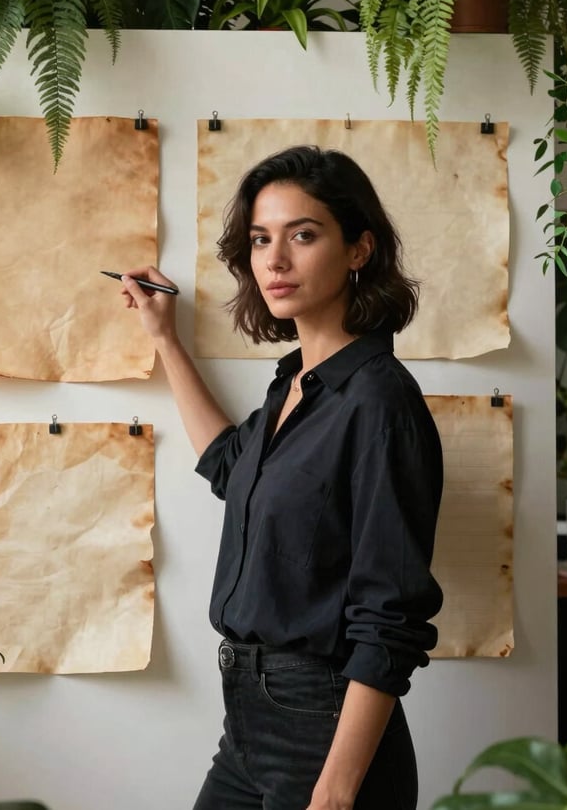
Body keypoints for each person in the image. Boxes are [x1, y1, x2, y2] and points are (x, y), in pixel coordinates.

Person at [118, 145, 443, 810]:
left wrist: (338, 786)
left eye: (303, 234)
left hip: (325, 727)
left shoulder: (379, 402)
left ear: (359, 250)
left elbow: (391, 617)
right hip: (246, 723)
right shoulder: (292, 385)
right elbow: (227, 470)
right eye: (262, 239)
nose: (275, 259)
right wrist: (165, 339)